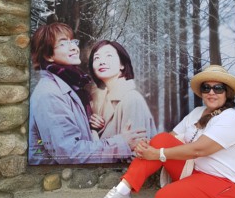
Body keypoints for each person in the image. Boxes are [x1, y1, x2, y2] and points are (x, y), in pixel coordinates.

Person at [91, 65, 235, 198]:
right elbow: (170, 138)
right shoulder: (197, 112)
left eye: (218, 88)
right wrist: (148, 146)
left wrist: (158, 154)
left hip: (227, 188)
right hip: (194, 172)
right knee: (161, 139)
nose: (211, 92)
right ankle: (123, 192)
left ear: (227, 92)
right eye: (206, 87)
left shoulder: (230, 118)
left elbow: (199, 149)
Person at [28, 22, 146, 165]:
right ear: (48, 55)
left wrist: (89, 127)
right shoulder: (49, 94)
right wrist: (122, 144)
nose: (74, 48)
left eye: (73, 42)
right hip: (57, 180)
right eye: (64, 44)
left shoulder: (71, 87)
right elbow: (70, 153)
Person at [88, 40, 157, 140]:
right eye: (97, 58)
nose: (102, 61)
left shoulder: (131, 99)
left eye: (109, 56)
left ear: (122, 65)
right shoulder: (100, 101)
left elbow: (135, 149)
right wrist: (94, 128)